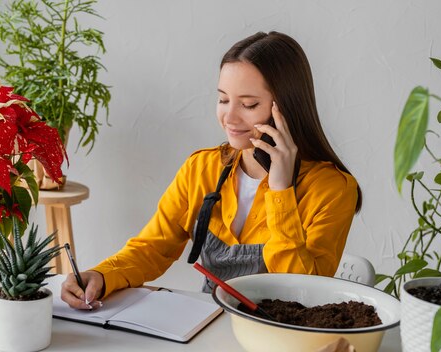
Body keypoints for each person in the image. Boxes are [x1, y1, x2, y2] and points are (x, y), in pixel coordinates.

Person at [62, 31, 362, 310]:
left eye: (248, 104)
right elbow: (152, 249)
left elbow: (303, 295)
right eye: (222, 99)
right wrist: (102, 276)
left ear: (286, 108)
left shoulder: (333, 188)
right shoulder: (201, 168)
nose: (229, 116)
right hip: (207, 328)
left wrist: (281, 191)